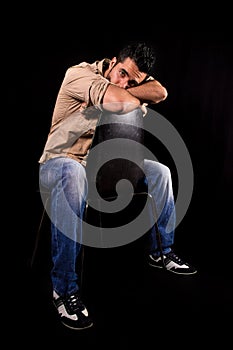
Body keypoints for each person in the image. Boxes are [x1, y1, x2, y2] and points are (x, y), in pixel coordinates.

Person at [38, 41, 197, 331]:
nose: (123, 82)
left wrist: (128, 91)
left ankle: (161, 250)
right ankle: (63, 289)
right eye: (121, 73)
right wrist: (131, 95)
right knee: (72, 175)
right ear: (113, 61)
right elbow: (122, 103)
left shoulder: (126, 84)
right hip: (60, 162)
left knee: (161, 172)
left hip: (102, 167)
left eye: (132, 80)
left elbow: (160, 92)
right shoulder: (79, 74)